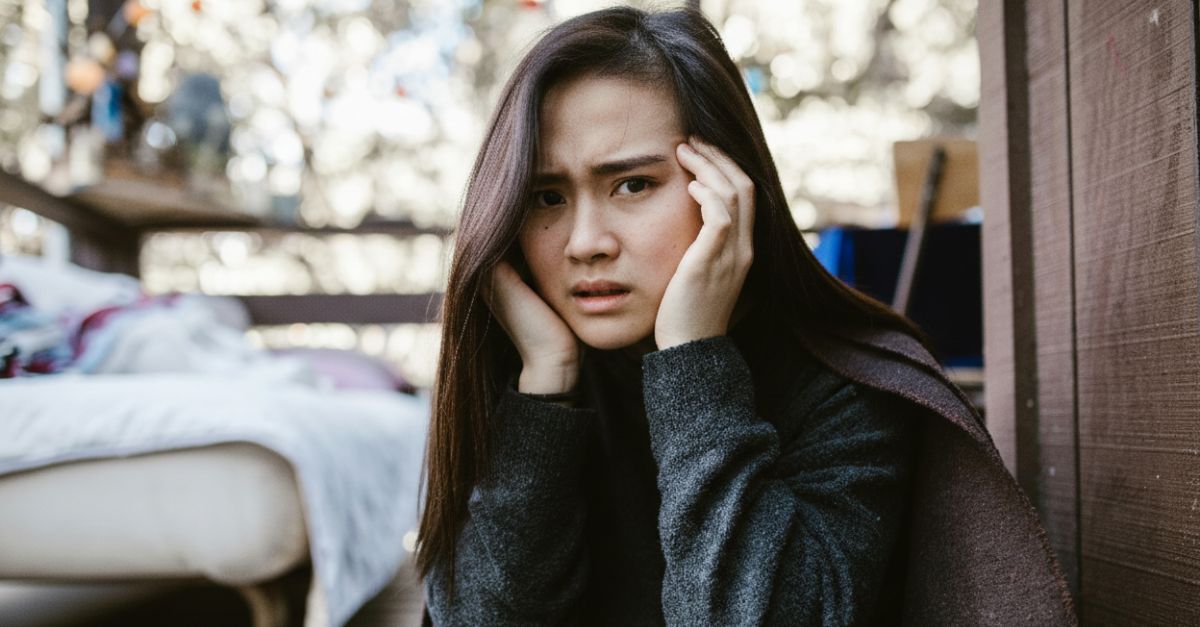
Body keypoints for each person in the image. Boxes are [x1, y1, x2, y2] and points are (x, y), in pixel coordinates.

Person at [417, 6, 1076, 626]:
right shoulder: (523, 376)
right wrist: (544, 390)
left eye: (633, 184)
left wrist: (694, 363)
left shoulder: (844, 389)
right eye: (546, 195)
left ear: (727, 187)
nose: (586, 240)